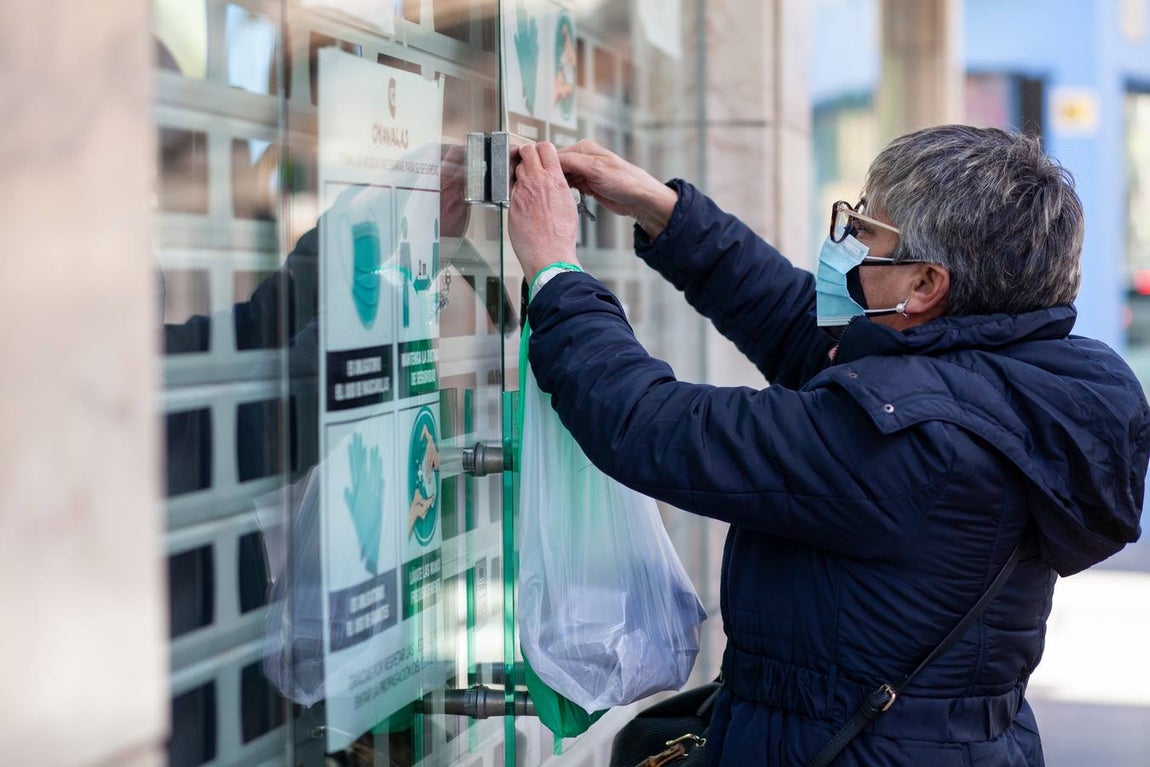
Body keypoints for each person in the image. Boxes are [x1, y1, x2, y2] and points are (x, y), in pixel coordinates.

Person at [505, 126, 1150, 766]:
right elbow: (796, 326)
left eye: (868, 232)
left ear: (926, 285)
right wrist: (662, 211)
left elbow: (652, 426)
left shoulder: (917, 446)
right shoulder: (1000, 383)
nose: (847, 244)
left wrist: (555, 271)